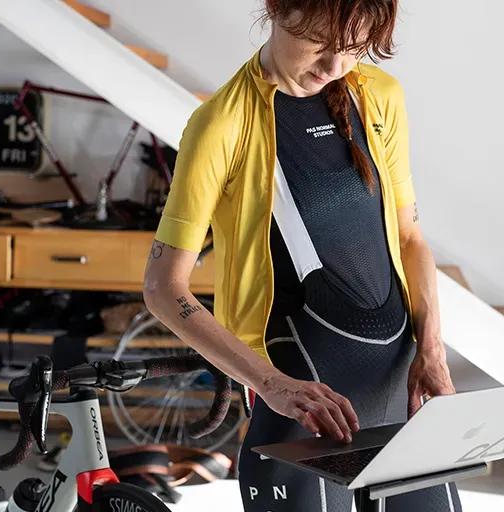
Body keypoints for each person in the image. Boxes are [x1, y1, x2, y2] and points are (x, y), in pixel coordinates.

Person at [143, 1, 462, 510]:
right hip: (301, 398)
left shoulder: (379, 98)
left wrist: (432, 348)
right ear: (279, 11)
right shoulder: (221, 125)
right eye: (320, 43)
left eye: (354, 47)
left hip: (401, 389)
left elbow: (410, 239)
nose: (335, 65)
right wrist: (270, 384)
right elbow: (163, 288)